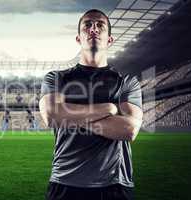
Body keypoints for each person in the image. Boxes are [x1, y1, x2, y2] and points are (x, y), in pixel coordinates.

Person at [39, 9, 143, 200]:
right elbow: (51, 116)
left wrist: (69, 115)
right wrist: (108, 109)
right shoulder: (56, 77)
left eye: (100, 25)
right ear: (78, 38)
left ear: (110, 40)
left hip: (114, 185)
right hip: (64, 182)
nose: (93, 28)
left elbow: (128, 130)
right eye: (87, 25)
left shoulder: (127, 82)